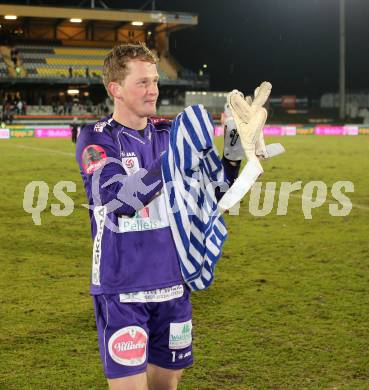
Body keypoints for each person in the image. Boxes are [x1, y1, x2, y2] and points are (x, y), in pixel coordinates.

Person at [76, 43, 241, 390]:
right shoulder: (96, 138)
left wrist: (235, 142)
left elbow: (216, 189)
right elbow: (119, 198)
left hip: (172, 286)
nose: (153, 89)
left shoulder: (169, 134)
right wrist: (173, 163)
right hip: (123, 292)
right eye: (142, 82)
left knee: (165, 386)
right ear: (115, 89)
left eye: (155, 81)